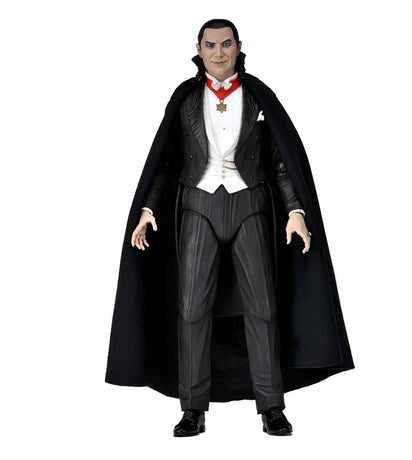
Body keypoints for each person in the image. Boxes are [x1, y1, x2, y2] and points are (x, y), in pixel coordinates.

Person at [105, 19, 355, 437]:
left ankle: (271, 406)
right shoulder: (185, 98)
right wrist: (148, 208)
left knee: (263, 308)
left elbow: (280, 160)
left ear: (239, 46)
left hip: (250, 204)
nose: (218, 52)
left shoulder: (258, 95)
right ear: (198, 49)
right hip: (199, 206)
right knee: (191, 309)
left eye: (226, 44)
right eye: (210, 45)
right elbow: (166, 160)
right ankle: (192, 408)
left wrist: (295, 210)